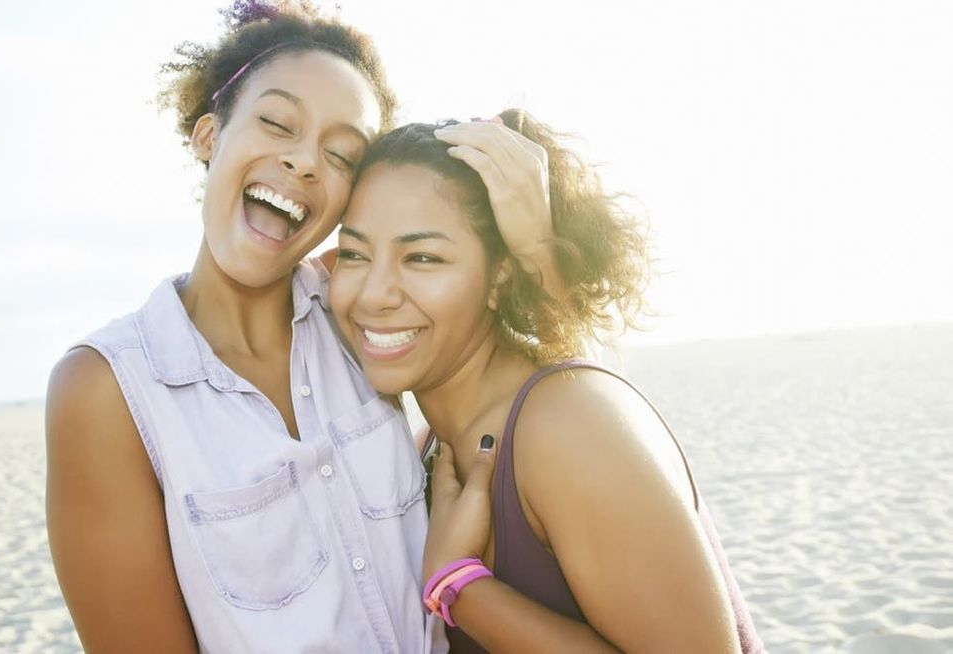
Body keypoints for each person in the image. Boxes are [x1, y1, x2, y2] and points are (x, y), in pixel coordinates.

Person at [44, 3, 558, 652]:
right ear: (209, 137)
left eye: (343, 154)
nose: (305, 162)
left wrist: (535, 249)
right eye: (277, 122)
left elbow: (555, 415)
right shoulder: (109, 390)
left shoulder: (363, 317)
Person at [329, 109, 765, 653]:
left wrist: (459, 587)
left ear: (499, 278)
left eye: (422, 257)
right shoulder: (430, 452)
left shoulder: (565, 424)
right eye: (353, 253)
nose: (374, 294)